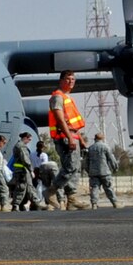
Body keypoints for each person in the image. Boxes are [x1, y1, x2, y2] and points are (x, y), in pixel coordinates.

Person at [46, 71, 87, 209]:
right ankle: (51, 191)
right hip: (64, 137)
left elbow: (72, 124)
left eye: (73, 79)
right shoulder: (58, 97)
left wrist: (80, 139)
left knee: (75, 169)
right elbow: (60, 119)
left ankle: (72, 199)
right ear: (61, 80)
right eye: (68, 79)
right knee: (71, 167)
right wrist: (70, 138)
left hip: (72, 136)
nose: (71, 82)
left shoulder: (66, 97)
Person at [84, 131, 119, 208]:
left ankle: (94, 204)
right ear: (103, 138)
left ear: (94, 139)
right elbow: (111, 159)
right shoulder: (106, 147)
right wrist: (115, 168)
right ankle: (115, 203)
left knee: (94, 188)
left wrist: (88, 170)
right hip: (105, 172)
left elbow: (86, 162)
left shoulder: (90, 148)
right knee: (108, 188)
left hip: (93, 172)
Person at [8, 131, 37, 211]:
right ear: (25, 138)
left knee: (29, 188)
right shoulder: (21, 146)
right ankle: (15, 205)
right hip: (22, 171)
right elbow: (25, 159)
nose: (29, 141)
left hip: (22, 170)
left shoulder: (18, 145)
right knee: (21, 188)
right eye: (29, 139)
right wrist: (31, 170)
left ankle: (36, 203)